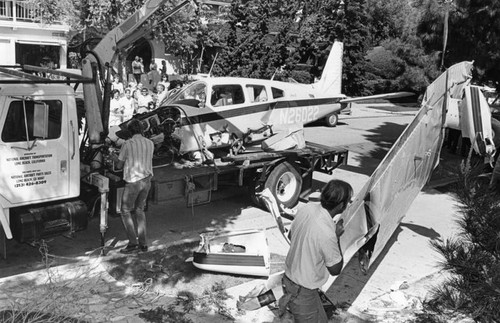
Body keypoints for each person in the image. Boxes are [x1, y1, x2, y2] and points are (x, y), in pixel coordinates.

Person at [279, 179, 353, 322]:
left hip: (291, 279)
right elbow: (335, 269)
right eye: (348, 201)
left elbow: (291, 235)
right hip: (302, 290)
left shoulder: (308, 207)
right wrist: (336, 237)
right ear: (341, 205)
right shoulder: (328, 232)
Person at [110, 119, 154, 254]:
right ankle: (143, 244)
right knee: (140, 210)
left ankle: (132, 243)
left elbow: (119, 165)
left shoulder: (128, 144)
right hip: (147, 180)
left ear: (129, 132)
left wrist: (113, 156)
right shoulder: (150, 143)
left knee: (125, 210)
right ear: (141, 130)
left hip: (133, 181)